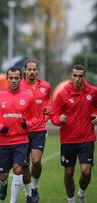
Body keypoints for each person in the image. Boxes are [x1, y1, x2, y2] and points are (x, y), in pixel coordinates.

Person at [0, 67, 36, 203]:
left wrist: (28, 124)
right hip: (3, 142)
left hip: (21, 141)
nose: (14, 81)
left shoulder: (28, 97)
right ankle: (3, 184)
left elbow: (34, 118)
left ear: (21, 79)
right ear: (7, 79)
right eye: (11, 78)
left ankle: (12, 201)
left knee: (18, 169)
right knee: (3, 176)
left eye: (16, 78)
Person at [50, 64, 97, 203]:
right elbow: (54, 115)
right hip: (68, 139)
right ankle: (71, 200)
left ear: (84, 76)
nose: (77, 79)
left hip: (87, 138)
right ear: (71, 75)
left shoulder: (93, 92)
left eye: (80, 76)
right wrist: (60, 120)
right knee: (69, 172)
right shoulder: (63, 94)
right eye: (75, 76)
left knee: (86, 171)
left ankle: (81, 192)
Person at [20, 59, 51, 203]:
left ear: (37, 70)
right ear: (25, 71)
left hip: (39, 129)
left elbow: (48, 102)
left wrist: (48, 109)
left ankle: (34, 186)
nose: (32, 72)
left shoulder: (45, 86)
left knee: (36, 160)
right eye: (29, 69)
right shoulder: (19, 85)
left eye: (34, 69)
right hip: (22, 130)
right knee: (24, 164)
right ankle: (28, 194)